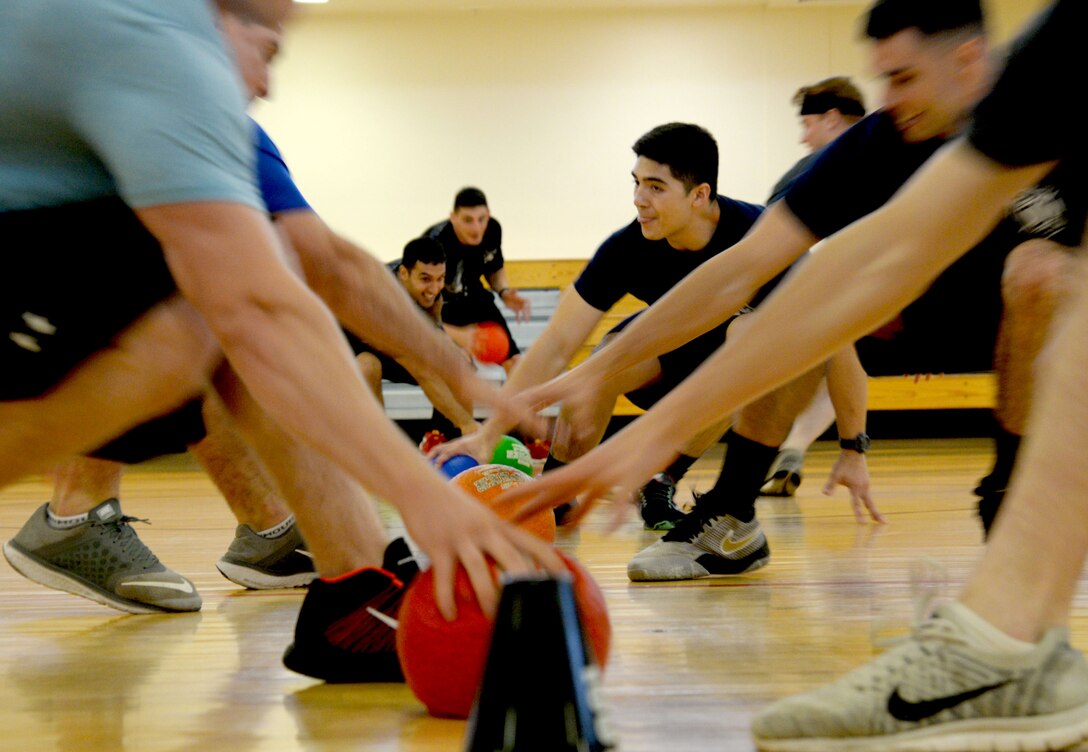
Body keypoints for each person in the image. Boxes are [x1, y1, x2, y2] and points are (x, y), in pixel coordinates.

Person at [0, 0, 562, 682]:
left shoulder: (179, 81)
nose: (267, 85)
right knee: (210, 302)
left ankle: (355, 592)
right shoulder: (160, 46)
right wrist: (426, 497)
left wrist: (453, 364)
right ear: (219, 18)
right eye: (268, 50)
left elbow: (323, 260)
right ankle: (74, 515)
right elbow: (264, 304)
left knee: (235, 273)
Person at [503, 0, 1087, 584]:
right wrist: (595, 384)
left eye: (903, 77)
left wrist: (854, 446)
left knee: (1038, 270)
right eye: (883, 79)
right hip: (907, 322)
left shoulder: (1054, 112)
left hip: (1034, 333)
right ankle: (732, 511)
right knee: (790, 301)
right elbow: (750, 273)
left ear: (968, 60)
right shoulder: (880, 142)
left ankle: (1011, 489)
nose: (888, 99)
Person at [433, 123, 777, 532]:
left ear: (699, 195)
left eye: (655, 187)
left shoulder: (763, 234)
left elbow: (829, 333)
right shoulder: (628, 247)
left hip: (728, 373)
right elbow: (557, 342)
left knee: (751, 341)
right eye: (636, 183)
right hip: (666, 359)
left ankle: (664, 479)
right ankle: (557, 487)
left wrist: (844, 443)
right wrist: (489, 434)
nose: (638, 199)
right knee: (599, 366)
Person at [762, 76, 867, 497]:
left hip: (803, 287)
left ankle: (786, 451)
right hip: (861, 289)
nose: (804, 137)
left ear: (832, 119)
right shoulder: (895, 156)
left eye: (807, 125)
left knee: (831, 362)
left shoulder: (816, 168)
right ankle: (796, 447)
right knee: (839, 362)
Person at [350, 236, 479, 439]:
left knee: (458, 366)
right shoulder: (382, 298)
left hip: (392, 344)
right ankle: (380, 443)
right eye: (426, 279)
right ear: (404, 274)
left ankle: (444, 440)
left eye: (440, 278)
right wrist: (467, 423)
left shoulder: (430, 287)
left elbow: (435, 325)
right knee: (367, 366)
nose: (434, 288)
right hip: (351, 348)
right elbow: (421, 371)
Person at [424, 187, 529, 374]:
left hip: (475, 297)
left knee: (515, 363)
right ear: (453, 218)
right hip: (441, 307)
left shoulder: (493, 230)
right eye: (468, 220)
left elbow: (494, 268)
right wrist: (457, 335)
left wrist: (504, 291)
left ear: (488, 215)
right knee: (460, 366)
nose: (476, 228)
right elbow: (419, 311)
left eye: (481, 219)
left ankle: (516, 396)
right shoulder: (434, 243)